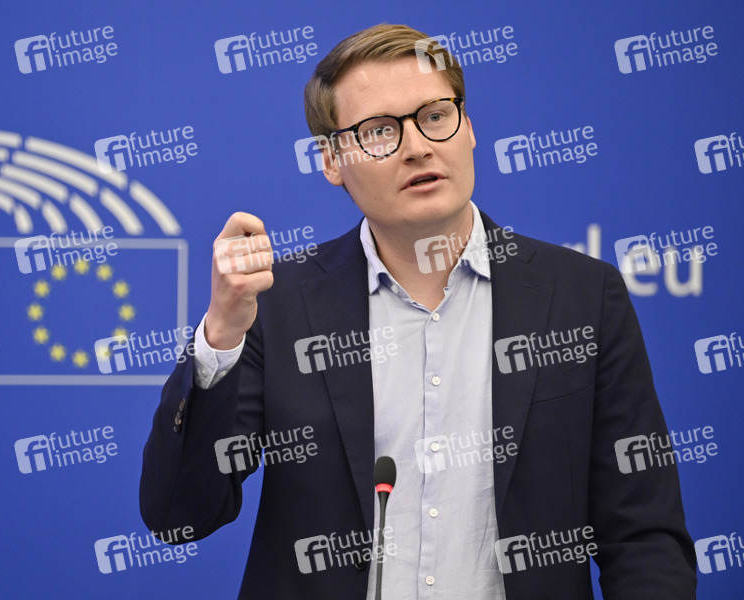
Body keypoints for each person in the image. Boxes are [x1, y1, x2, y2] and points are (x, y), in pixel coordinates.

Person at [140, 23, 696, 599]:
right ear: (331, 160)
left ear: (468, 127)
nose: (418, 147)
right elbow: (180, 515)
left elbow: (644, 536)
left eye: (435, 115)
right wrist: (222, 334)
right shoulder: (277, 306)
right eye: (380, 131)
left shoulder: (582, 295)